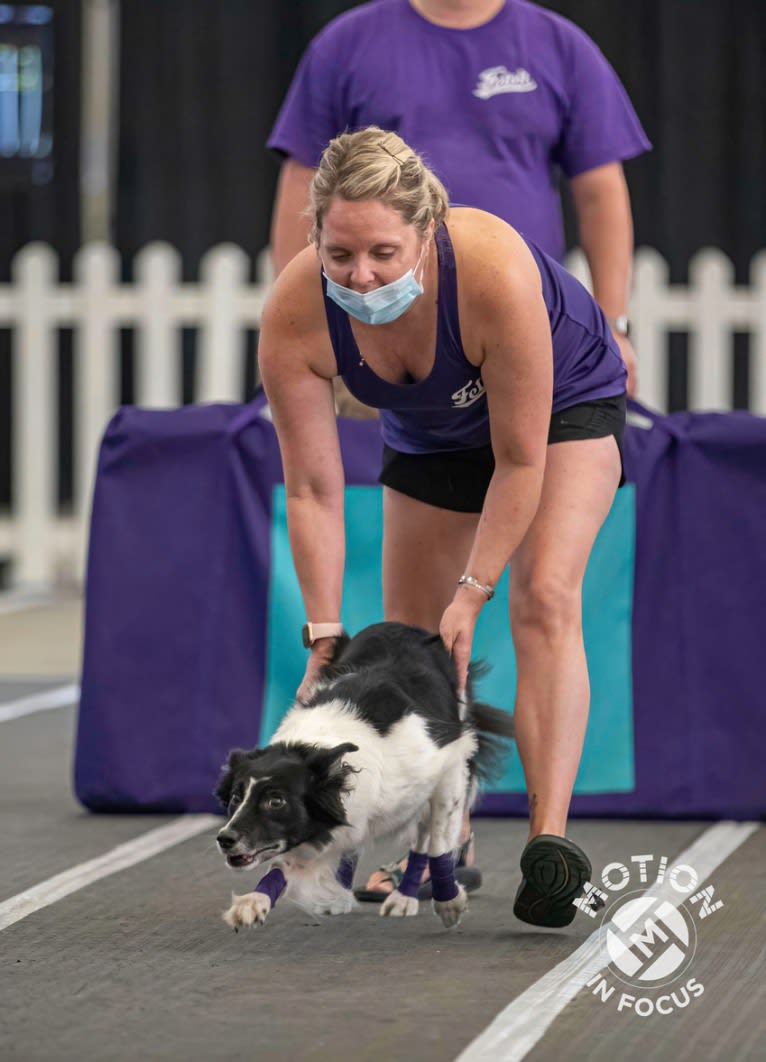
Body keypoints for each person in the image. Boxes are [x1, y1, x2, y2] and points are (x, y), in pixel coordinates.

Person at [258, 126, 627, 926]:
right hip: (429, 432)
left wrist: (475, 587)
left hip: (558, 413)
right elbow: (314, 488)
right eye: (341, 254)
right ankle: (442, 838)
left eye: (385, 254)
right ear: (315, 236)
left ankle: (548, 845)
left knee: (543, 600)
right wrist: (323, 625)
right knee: (409, 642)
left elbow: (521, 462)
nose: (361, 276)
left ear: (427, 232)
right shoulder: (296, 309)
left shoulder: (490, 273)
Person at [268, 0, 651, 396]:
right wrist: (300, 323)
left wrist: (612, 326)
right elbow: (304, 185)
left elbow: (599, 195)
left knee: (526, 457)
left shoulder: (561, 46)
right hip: (375, 334)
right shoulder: (346, 44)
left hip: (524, 326)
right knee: (366, 457)